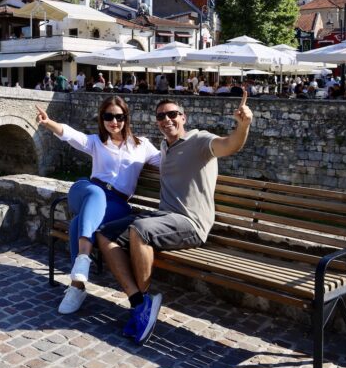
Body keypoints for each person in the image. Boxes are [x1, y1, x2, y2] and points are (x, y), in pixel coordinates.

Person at [97, 95, 253, 345]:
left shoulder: (200, 140)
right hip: (164, 219)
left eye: (172, 114)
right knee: (105, 233)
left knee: (139, 229)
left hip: (190, 223)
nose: (166, 119)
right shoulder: (164, 147)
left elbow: (230, 145)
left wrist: (243, 125)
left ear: (183, 117)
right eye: (161, 116)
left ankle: (145, 302)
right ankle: (139, 303)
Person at [35, 97, 161, 315]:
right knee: (95, 193)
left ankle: (77, 286)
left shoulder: (142, 146)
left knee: (77, 223)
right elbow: (70, 135)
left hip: (118, 203)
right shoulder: (96, 142)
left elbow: (166, 162)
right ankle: (83, 261)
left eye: (119, 117)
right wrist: (48, 123)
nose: (114, 121)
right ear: (102, 119)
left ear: (126, 118)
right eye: (108, 116)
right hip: (87, 192)